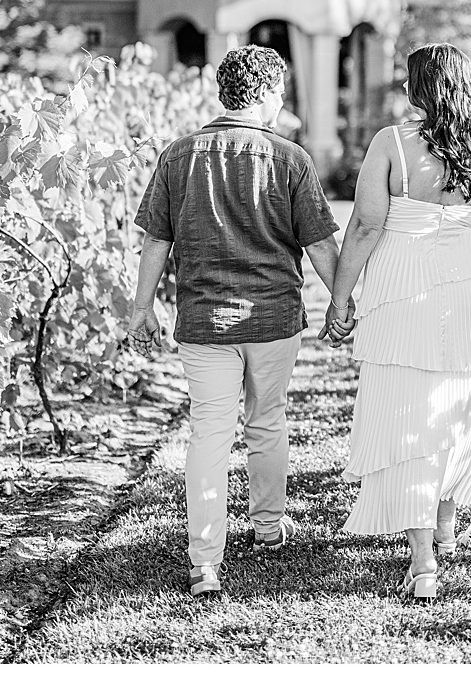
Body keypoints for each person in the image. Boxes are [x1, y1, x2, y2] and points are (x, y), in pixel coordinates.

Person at [126, 44, 343, 597]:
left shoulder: (178, 155)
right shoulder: (290, 158)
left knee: (209, 434)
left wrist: (141, 307)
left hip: (203, 319)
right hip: (273, 318)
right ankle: (268, 529)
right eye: (281, 94)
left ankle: (205, 563)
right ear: (268, 93)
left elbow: (157, 239)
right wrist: (343, 300)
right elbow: (319, 244)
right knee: (266, 421)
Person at [323, 43, 471, 600]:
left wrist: (341, 299)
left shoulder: (392, 143)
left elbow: (364, 225)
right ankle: (444, 528)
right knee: (455, 412)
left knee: (409, 416)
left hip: (402, 285)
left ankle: (424, 561)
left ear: (417, 89)